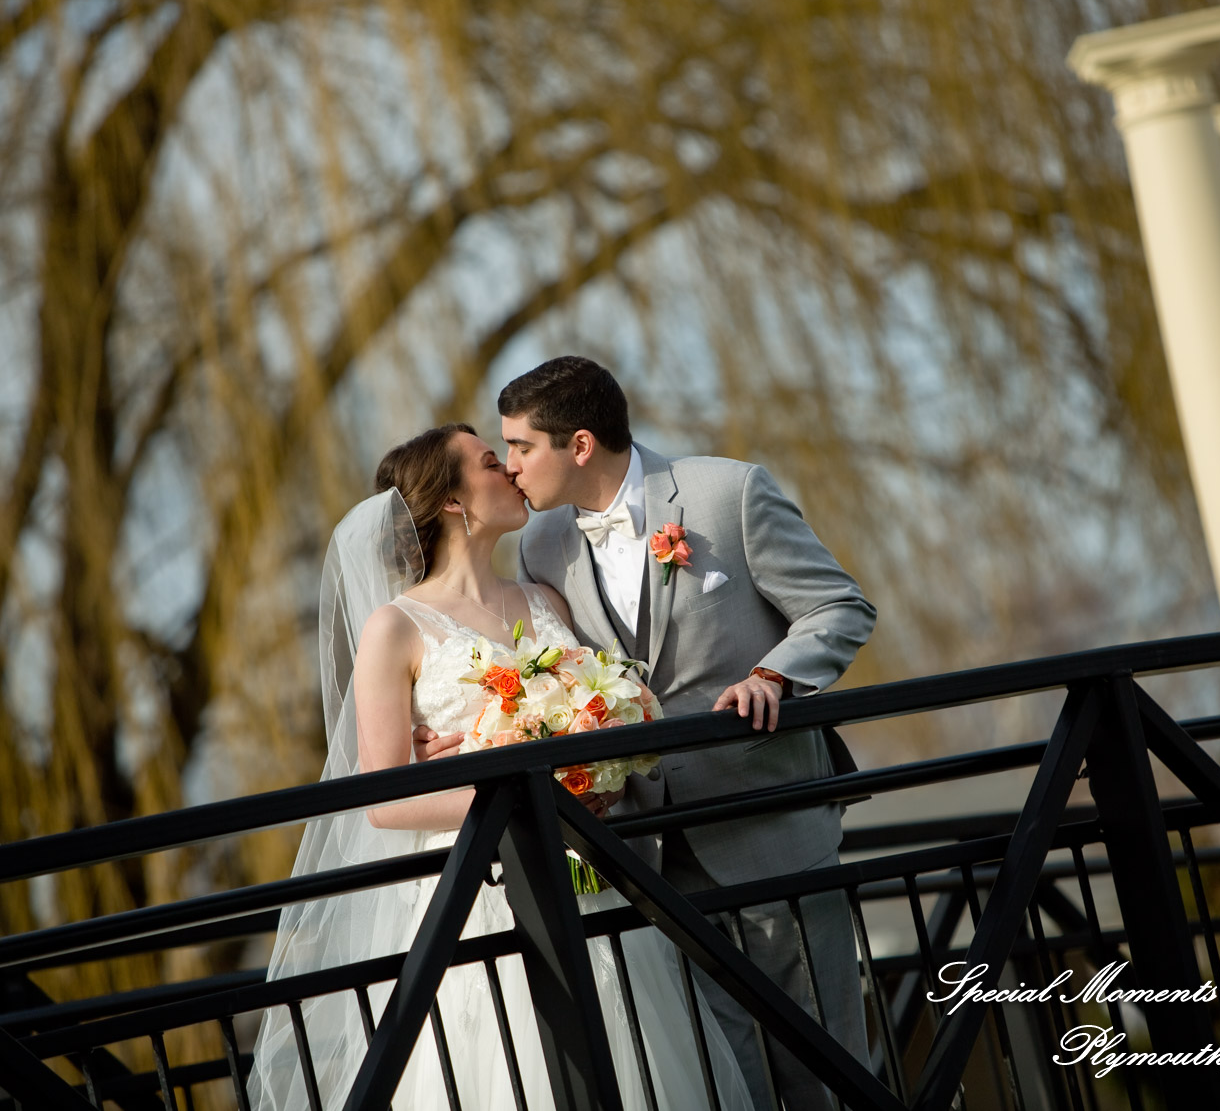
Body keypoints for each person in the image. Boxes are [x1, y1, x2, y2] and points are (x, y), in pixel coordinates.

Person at [246, 423, 753, 1111]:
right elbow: (385, 800)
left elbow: (596, 706)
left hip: (585, 874)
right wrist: (517, 793)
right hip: (476, 891)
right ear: (452, 499)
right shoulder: (394, 628)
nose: (512, 471)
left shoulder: (544, 601)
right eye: (491, 461)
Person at [420, 357, 877, 1110]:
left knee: (831, 1071)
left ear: (580, 446)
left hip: (770, 824)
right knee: (736, 1083)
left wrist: (775, 675)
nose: (508, 465)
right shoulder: (543, 551)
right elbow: (551, 680)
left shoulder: (726, 494)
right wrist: (462, 739)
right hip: (650, 858)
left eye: (521, 447)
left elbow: (839, 608)